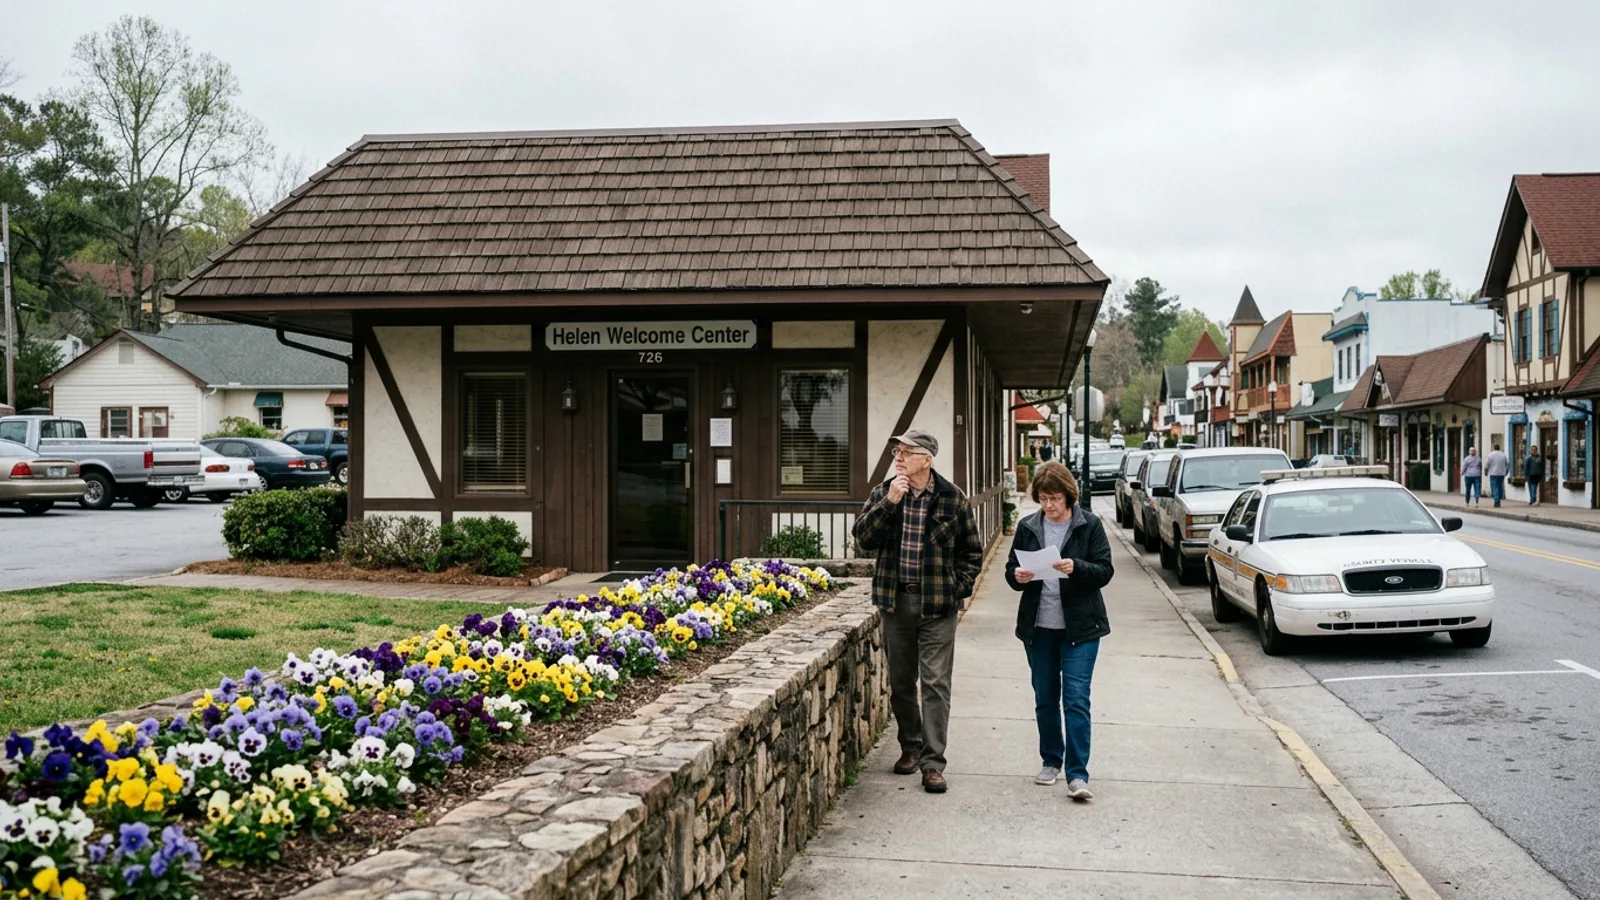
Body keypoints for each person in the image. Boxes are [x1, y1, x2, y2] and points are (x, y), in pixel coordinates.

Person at [852, 429, 984, 794]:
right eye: (897, 450)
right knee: (900, 682)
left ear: (926, 459)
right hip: (896, 602)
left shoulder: (951, 499)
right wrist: (889, 503)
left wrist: (955, 589)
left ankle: (932, 762)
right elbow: (863, 539)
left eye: (907, 452)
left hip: (937, 605)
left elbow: (972, 553)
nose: (898, 457)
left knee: (936, 684)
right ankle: (910, 747)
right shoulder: (884, 492)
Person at [1004, 461, 1113, 802]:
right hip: (1039, 628)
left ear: (1069, 495)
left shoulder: (1089, 525)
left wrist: (1076, 567)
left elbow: (1105, 570)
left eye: (1054, 498)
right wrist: (1018, 577)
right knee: (1045, 698)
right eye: (1043, 498)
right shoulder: (1028, 527)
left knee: (1076, 700)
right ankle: (1051, 760)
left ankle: (1077, 774)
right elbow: (1011, 571)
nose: (1049, 505)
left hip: (1080, 628)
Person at [1484, 442, 1509, 508]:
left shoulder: (1490, 455)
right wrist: (1506, 472)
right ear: (1499, 448)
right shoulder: (1503, 455)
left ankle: (1497, 500)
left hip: (1493, 473)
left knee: (1494, 487)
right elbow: (1507, 464)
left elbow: (1487, 465)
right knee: (1500, 486)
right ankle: (1499, 497)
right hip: (1501, 473)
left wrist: (1486, 472)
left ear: (1494, 448)